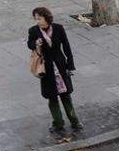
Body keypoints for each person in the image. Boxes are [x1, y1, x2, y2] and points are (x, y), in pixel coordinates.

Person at [27, 7, 82, 137]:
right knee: (52, 97)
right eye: (36, 18)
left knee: (66, 96)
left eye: (39, 18)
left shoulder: (58, 28)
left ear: (46, 18)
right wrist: (36, 43)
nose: (37, 21)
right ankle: (58, 123)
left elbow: (66, 46)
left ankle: (75, 121)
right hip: (46, 68)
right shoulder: (34, 31)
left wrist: (70, 64)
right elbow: (29, 44)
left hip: (60, 66)